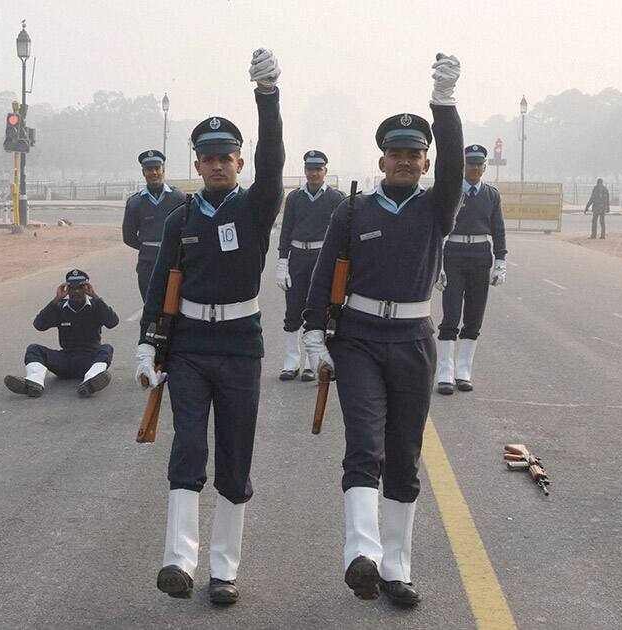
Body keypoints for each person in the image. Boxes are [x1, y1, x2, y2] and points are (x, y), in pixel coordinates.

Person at [302, 53, 463, 607]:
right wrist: (314, 331)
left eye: (413, 154)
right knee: (364, 444)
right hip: (361, 339)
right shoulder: (354, 211)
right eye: (395, 153)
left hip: (415, 340)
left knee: (404, 452)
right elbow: (326, 273)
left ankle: (396, 570)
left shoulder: (439, 208)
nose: (403, 160)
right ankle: (361, 554)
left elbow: (452, 161)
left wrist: (443, 103)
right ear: (382, 158)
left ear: (425, 162)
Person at [135, 48, 284, 605]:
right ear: (195, 164)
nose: (218, 164)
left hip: (242, 345)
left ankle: (224, 571)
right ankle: (178, 560)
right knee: (188, 448)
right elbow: (158, 287)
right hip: (191, 346)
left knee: (235, 456)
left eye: (227, 156)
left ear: (240, 163)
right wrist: (148, 346)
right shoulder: (180, 219)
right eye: (208, 156)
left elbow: (275, 160)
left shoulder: (257, 207)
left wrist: (267, 97)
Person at [434, 145, 507, 395]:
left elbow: (498, 229)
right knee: (451, 315)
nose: (475, 168)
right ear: (463, 166)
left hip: (480, 256)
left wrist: (501, 262)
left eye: (479, 164)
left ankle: (463, 371)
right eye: (471, 164)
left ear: (484, 167)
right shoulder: (451, 193)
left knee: (474, 317)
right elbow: (437, 230)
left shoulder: (491, 195)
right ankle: (445, 372)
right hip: (453, 254)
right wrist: (437, 265)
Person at [276, 150, 344, 381]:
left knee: (317, 310)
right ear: (304, 170)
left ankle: (310, 361)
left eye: (318, 169)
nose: (313, 173)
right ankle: (291, 361)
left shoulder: (336, 198)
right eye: (310, 169)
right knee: (293, 309)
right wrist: (282, 262)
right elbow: (285, 231)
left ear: (325, 171)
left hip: (321, 258)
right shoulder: (294, 198)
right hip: (298, 257)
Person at [4, 269, 118, 398]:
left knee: (106, 349)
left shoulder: (95, 306)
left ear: (86, 288)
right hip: (65, 360)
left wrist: (96, 297)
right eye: (72, 288)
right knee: (34, 349)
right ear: (67, 289)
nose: (76, 292)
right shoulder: (59, 307)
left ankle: (90, 381)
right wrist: (56, 300)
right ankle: (34, 383)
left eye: (80, 287)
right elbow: (39, 325)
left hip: (89, 360)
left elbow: (112, 322)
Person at [123, 150, 188, 301]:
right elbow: (128, 237)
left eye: (157, 168)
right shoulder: (135, 203)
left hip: (175, 261)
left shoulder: (179, 198)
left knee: (178, 306)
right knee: (151, 305)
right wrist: (149, 247)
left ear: (163, 169)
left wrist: (171, 247)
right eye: (149, 169)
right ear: (143, 172)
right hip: (148, 264)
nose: (153, 173)